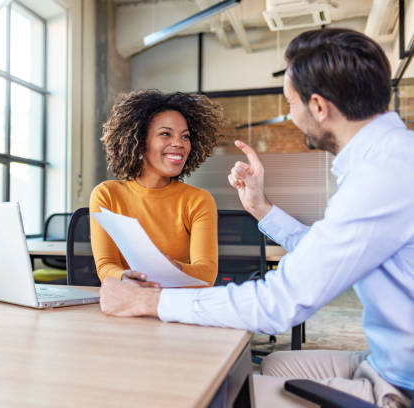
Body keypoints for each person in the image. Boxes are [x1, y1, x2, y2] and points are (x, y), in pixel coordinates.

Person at [98, 28, 414, 407]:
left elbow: (280, 305)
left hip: (401, 383)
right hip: (386, 361)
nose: (290, 115)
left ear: (317, 107)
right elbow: (326, 254)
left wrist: (150, 303)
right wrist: (261, 208)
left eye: (289, 102)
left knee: (229, 394)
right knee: (275, 364)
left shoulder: (382, 177)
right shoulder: (388, 158)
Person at [90, 90, 223, 287]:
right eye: (165, 134)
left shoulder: (199, 200)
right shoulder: (107, 195)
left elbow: (207, 274)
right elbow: (106, 265)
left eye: (185, 136)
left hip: (177, 305)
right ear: (140, 140)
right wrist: (125, 278)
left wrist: (172, 269)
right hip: (128, 300)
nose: (179, 143)